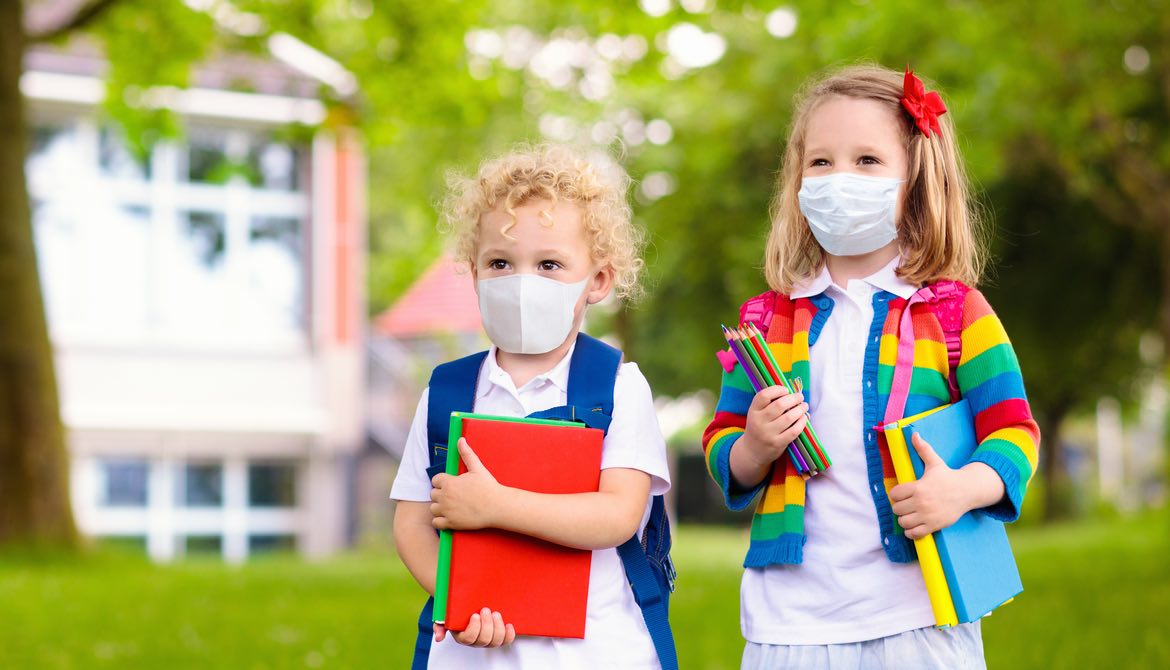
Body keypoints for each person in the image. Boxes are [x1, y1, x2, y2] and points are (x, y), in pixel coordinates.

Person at [702, 64, 1040, 669]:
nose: (839, 179)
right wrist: (752, 444)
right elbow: (722, 445)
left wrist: (962, 489)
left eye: (867, 161)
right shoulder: (764, 320)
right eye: (821, 162)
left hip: (919, 611)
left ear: (915, 178)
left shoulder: (956, 311)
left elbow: (1015, 434)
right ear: (797, 180)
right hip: (791, 621)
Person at [392, 144, 673, 669]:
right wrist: (458, 601)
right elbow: (411, 521)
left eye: (549, 264)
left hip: (596, 653)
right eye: (500, 262)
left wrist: (496, 505)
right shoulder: (447, 391)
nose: (523, 283)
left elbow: (617, 514)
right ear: (472, 272)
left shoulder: (617, 387)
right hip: (473, 653)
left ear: (599, 281)